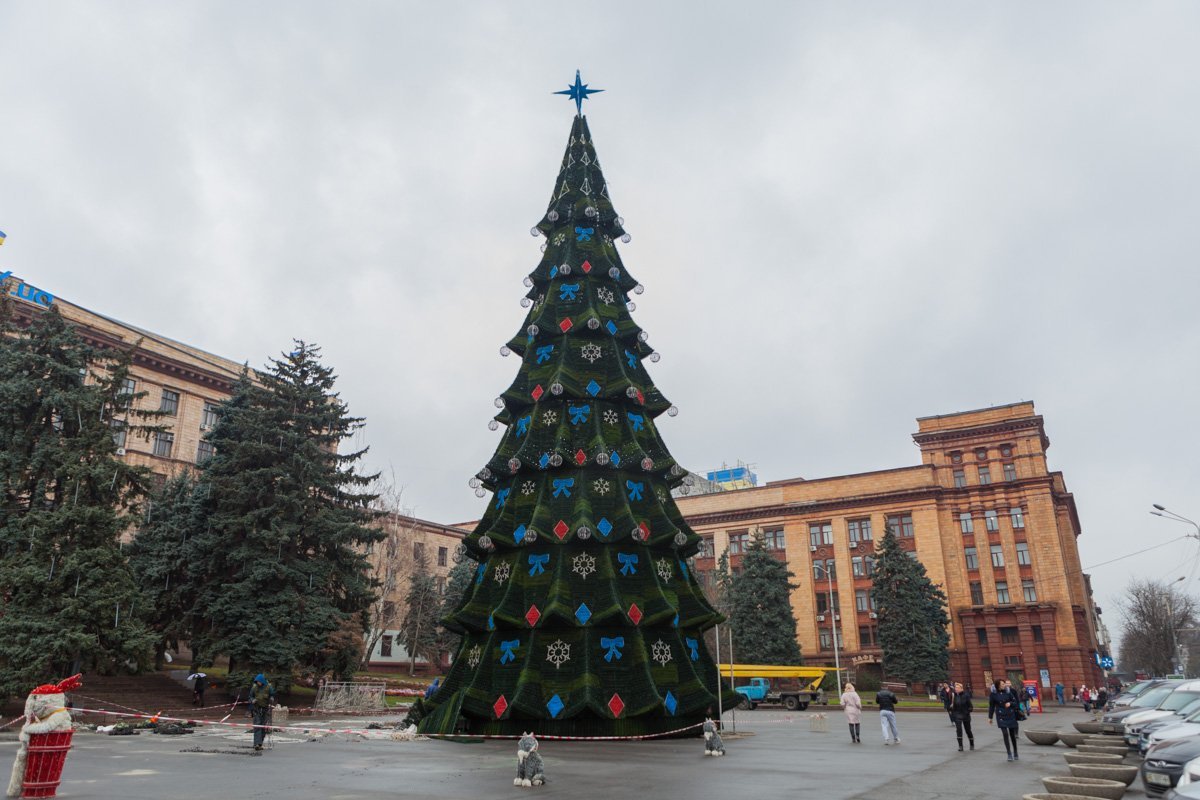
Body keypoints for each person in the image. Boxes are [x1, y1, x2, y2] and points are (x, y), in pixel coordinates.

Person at [988, 679, 1022, 761]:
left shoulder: (1008, 692)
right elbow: (991, 706)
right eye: (1002, 684)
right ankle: (1009, 753)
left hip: (1010, 714)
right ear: (998, 685)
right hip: (1001, 716)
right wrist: (990, 717)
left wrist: (1010, 703)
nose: (1004, 685)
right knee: (1005, 734)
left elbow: (1015, 703)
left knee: (1012, 735)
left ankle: (1015, 751)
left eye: (1004, 684)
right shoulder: (993, 694)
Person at [249, 673, 275, 751]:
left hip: (265, 709)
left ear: (262, 681)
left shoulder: (268, 687)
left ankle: (260, 743)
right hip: (256, 709)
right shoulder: (254, 688)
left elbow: (272, 694)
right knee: (257, 726)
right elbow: (250, 696)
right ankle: (256, 744)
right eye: (256, 682)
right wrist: (252, 700)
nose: (258, 683)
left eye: (259, 681)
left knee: (263, 726)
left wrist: (271, 698)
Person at [950, 682, 975, 751]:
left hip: (965, 715)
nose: (956, 689)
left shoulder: (966, 695)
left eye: (958, 688)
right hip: (957, 715)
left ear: (961, 689)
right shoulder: (954, 696)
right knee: (958, 730)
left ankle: (972, 744)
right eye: (956, 688)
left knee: (968, 730)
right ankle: (960, 746)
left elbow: (971, 707)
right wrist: (952, 710)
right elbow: (952, 705)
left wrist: (967, 711)